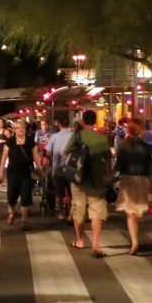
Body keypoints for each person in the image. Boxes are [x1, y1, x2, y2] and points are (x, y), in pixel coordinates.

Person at [65, 109, 113, 257]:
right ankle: (96, 244)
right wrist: (108, 175)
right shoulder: (101, 138)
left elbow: (66, 152)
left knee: (78, 209)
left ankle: (80, 240)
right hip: (97, 179)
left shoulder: (77, 135)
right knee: (97, 211)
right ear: (95, 121)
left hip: (78, 179)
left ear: (83, 121)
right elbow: (108, 160)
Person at [115, 119, 152, 254]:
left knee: (130, 213)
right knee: (138, 211)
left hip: (128, 180)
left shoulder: (123, 146)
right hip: (143, 180)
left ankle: (134, 241)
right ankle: (136, 236)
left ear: (129, 130)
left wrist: (109, 176)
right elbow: (149, 168)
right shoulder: (146, 147)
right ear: (141, 130)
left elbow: (118, 166)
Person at [0, 120, 38, 229]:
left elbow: (35, 156)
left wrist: (40, 169)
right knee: (11, 197)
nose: (21, 129)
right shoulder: (10, 141)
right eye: (18, 127)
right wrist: (1, 171)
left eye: (23, 127)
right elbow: (4, 156)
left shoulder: (30, 141)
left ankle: (24, 220)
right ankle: (13, 211)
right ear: (14, 130)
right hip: (13, 173)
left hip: (26, 174)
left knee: (25, 197)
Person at [45, 115, 74, 221]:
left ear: (59, 124)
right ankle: (70, 214)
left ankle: (61, 213)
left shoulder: (54, 137)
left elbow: (48, 153)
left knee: (59, 193)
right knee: (71, 193)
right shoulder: (73, 136)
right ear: (68, 124)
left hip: (58, 168)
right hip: (71, 168)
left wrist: (53, 159)